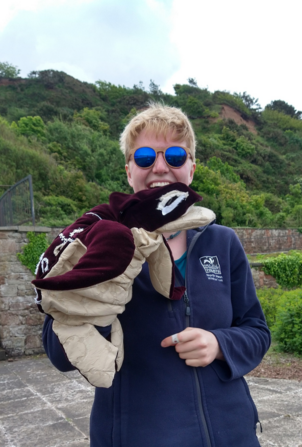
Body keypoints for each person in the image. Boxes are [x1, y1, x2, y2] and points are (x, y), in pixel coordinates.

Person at [42, 103, 271, 447]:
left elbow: (256, 331)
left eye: (176, 155)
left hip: (233, 435)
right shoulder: (91, 243)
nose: (161, 166)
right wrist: (98, 300)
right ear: (129, 171)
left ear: (191, 169)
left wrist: (219, 345)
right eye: (145, 156)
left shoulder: (222, 241)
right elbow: (59, 355)